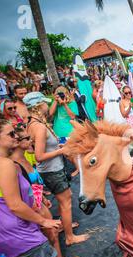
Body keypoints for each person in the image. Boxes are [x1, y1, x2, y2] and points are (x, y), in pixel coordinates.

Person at [0, 119, 64, 257]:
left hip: (3, 232)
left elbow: (4, 197)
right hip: (17, 233)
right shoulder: (4, 164)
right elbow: (15, 205)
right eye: (11, 134)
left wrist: (35, 199)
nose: (16, 137)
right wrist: (43, 221)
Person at [10, 126, 79, 257]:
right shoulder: (13, 164)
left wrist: (40, 196)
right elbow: (18, 192)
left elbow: (32, 183)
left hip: (38, 202)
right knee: (50, 235)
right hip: (32, 208)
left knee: (52, 235)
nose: (31, 140)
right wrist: (36, 203)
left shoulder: (23, 158)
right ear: (16, 142)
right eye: (27, 138)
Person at [25, 92, 89, 246]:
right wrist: (61, 151)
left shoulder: (32, 124)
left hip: (49, 169)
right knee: (66, 202)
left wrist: (56, 148)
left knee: (64, 199)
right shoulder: (39, 127)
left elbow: (31, 149)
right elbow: (39, 156)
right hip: (51, 171)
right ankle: (69, 237)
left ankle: (64, 225)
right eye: (45, 103)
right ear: (38, 106)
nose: (48, 105)